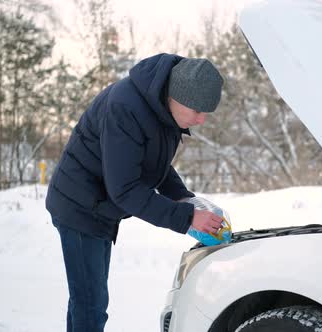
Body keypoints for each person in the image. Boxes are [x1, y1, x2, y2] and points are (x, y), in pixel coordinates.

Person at [45, 53, 225, 332]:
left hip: (100, 206)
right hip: (79, 207)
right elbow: (126, 190)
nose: (201, 120)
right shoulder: (125, 108)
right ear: (178, 96)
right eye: (198, 111)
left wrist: (182, 197)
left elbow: (154, 163)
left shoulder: (163, 108)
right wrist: (186, 217)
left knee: (85, 299)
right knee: (91, 305)